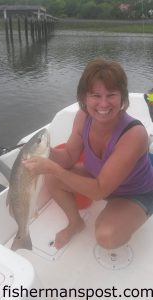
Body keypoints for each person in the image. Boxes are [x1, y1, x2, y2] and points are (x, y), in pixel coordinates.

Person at [23, 57, 153, 251]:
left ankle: (133, 212)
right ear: (84, 97)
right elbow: (68, 157)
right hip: (98, 177)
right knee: (51, 176)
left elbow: (100, 191)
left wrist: (55, 169)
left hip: (135, 192)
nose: (103, 104)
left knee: (107, 237)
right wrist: (44, 151)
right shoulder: (83, 117)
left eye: (111, 94)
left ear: (122, 98)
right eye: (95, 95)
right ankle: (75, 222)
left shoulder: (134, 134)